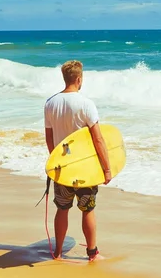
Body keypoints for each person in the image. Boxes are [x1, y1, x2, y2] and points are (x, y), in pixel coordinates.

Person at [44, 60, 112, 262]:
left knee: (62, 208)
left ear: (65, 78)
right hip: (85, 169)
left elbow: (49, 137)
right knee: (88, 208)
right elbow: (98, 138)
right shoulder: (85, 104)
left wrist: (56, 160)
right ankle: (92, 253)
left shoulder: (50, 103)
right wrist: (107, 169)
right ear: (79, 79)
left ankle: (57, 253)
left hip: (63, 168)